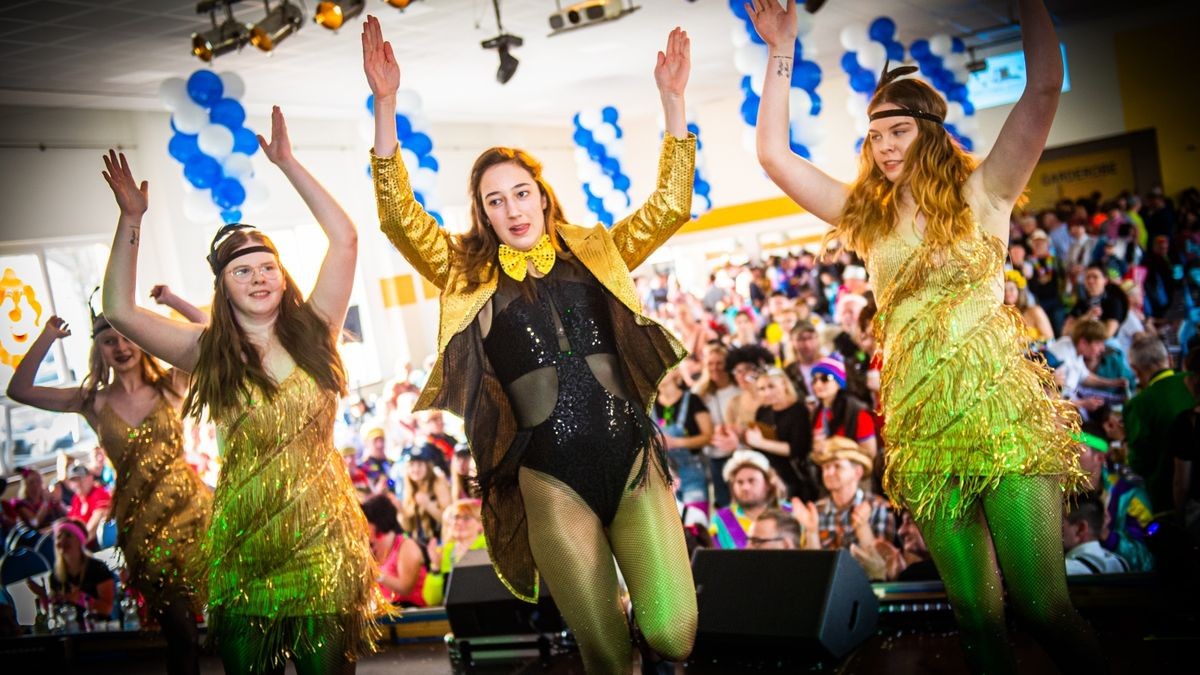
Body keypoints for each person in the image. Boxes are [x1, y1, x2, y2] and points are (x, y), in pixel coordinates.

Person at [748, 1, 1101, 671]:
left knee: (1041, 605)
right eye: (876, 134)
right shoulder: (867, 219)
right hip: (924, 431)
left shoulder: (987, 191)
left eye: (899, 130)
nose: (883, 146)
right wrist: (781, 50)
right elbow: (772, 155)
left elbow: (1046, 86)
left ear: (930, 131)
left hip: (1005, 423)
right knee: (974, 614)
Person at [364, 16, 697, 671]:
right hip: (550, 479)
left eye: (521, 193)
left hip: (630, 458)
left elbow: (670, 206)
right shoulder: (468, 273)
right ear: (482, 213)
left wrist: (674, 102)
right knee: (605, 654)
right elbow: (399, 219)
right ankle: (612, 628)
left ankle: (640, 618)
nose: (512, 209)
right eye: (494, 201)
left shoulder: (594, 247)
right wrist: (385, 104)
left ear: (542, 197)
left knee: (673, 631)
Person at [99, 109, 386, 673]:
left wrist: (286, 163)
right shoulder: (207, 353)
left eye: (267, 267)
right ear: (223, 288)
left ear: (283, 276)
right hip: (245, 549)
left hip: (322, 542)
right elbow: (119, 310)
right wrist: (131, 219)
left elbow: (346, 238)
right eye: (242, 271)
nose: (258, 278)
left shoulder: (316, 332)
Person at [7, 307, 211, 674]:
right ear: (98, 349)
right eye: (109, 339)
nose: (120, 346)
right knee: (180, 634)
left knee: (220, 626)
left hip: (194, 516)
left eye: (127, 336)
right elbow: (18, 389)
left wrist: (172, 305)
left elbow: (207, 335)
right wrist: (48, 336)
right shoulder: (93, 401)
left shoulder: (171, 385)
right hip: (143, 529)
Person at [26, 518, 116, 631]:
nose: (62, 540)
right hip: (70, 631)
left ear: (79, 540)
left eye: (68, 535)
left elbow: (107, 609)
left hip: (99, 629)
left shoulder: (98, 568)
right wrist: (43, 596)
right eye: (59, 536)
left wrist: (81, 598)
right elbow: (53, 613)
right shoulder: (55, 576)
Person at [744, 367, 816, 501]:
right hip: (769, 474)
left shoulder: (798, 411)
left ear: (784, 384)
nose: (767, 392)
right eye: (762, 389)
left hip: (794, 478)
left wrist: (761, 443)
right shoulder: (763, 411)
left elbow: (797, 449)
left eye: (771, 386)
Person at [652, 367, 713, 514]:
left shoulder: (692, 400)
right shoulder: (650, 406)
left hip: (692, 471)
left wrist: (676, 442)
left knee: (696, 524)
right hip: (664, 474)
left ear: (675, 371)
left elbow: (708, 436)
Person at [361, 494, 427, 608]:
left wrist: (376, 575)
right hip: (386, 612)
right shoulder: (374, 546)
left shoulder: (406, 546)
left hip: (412, 613)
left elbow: (406, 588)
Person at [709, 450, 783, 550]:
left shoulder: (789, 513)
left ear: (768, 484)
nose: (745, 487)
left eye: (752, 481)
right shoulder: (720, 520)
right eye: (739, 482)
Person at [422, 498, 488, 606]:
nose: (459, 522)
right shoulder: (443, 552)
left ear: (480, 524)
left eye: (466, 518)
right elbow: (431, 600)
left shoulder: (488, 550)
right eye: (456, 517)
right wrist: (436, 567)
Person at [398, 443, 452, 545]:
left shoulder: (437, 482)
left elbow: (449, 519)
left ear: (427, 465)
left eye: (420, 464)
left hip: (440, 541)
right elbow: (408, 527)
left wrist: (428, 505)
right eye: (412, 465)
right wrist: (400, 512)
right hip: (419, 544)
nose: (416, 469)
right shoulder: (409, 487)